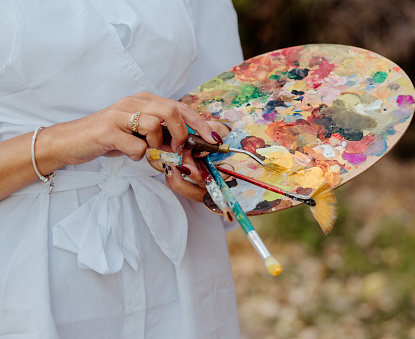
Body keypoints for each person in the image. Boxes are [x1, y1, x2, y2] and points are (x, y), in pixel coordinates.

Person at [0, 1, 244, 338]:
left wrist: (208, 158)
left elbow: (229, 108)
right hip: (29, 258)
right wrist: (61, 143)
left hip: (178, 241)